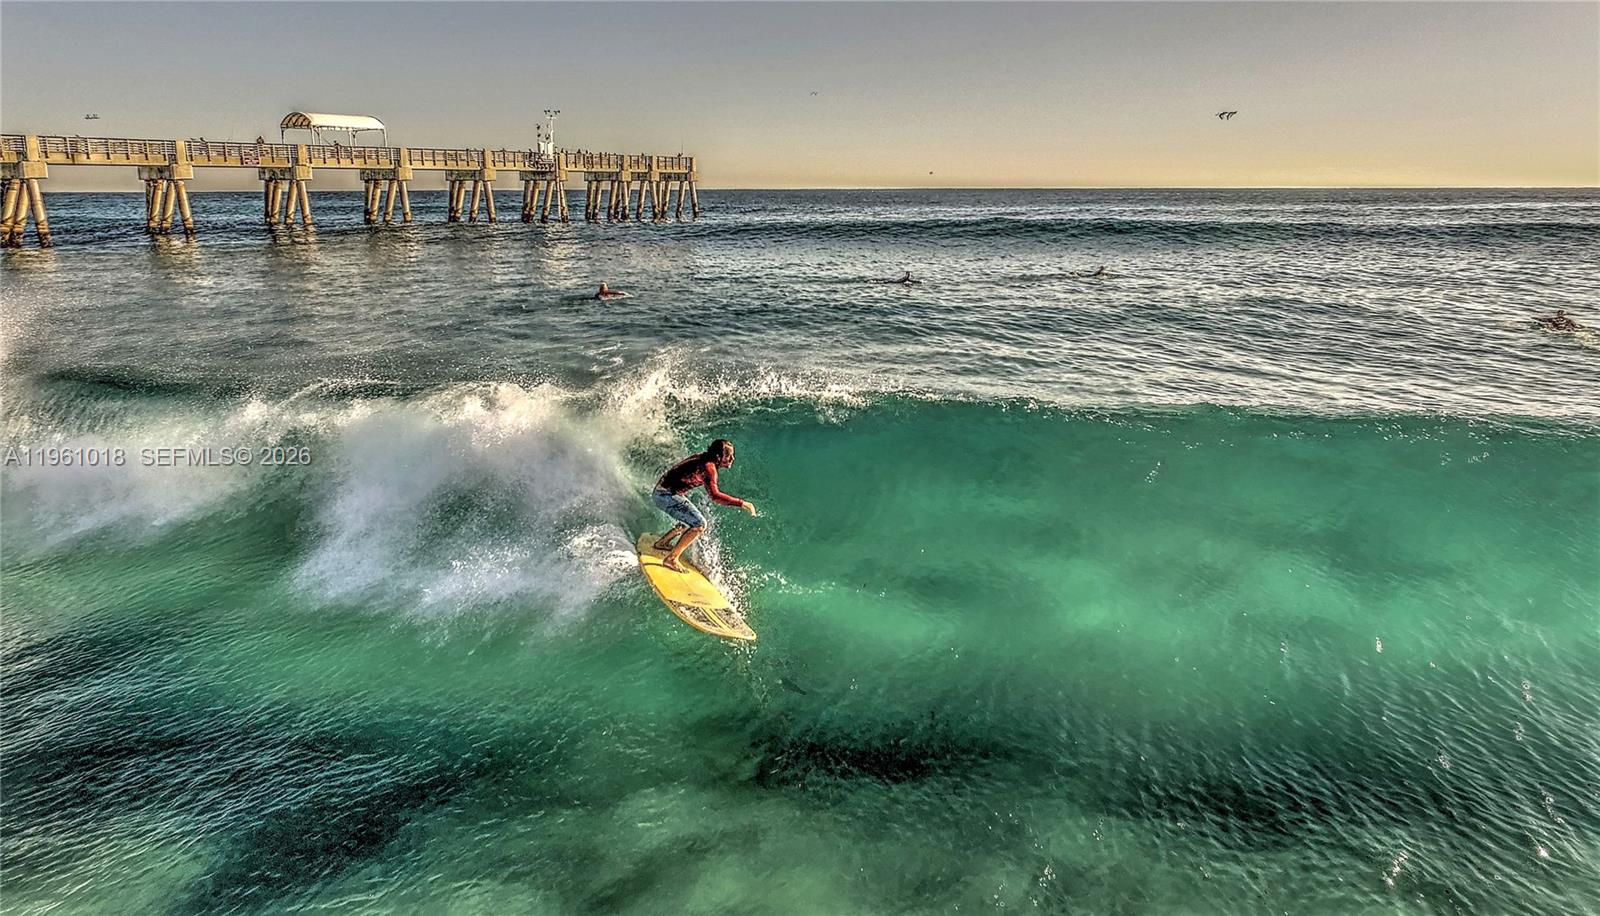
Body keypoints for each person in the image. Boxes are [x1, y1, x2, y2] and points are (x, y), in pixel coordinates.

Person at [651, 439, 757, 571]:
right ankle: (671, 559)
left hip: (662, 493)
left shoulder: (702, 458)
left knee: (690, 520)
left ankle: (663, 542)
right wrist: (742, 503)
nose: (732, 458)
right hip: (665, 495)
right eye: (728, 455)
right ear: (719, 456)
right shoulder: (709, 468)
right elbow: (715, 496)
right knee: (699, 524)